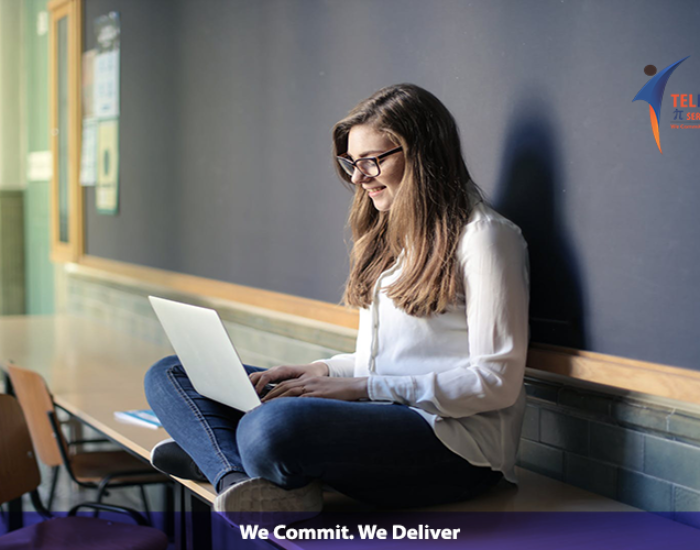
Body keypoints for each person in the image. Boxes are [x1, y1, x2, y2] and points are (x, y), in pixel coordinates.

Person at [144, 83, 531, 520]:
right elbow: (391, 359)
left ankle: (222, 459)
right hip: (379, 411)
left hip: (454, 448)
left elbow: (497, 381)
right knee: (172, 374)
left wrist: (361, 387)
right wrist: (325, 370)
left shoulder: (486, 238)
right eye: (351, 162)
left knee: (271, 427)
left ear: (422, 154)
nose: (356, 177)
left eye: (372, 161)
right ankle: (241, 481)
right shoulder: (390, 238)